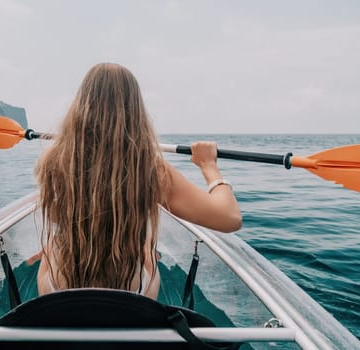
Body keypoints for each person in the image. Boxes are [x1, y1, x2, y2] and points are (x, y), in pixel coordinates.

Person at [35, 63, 241, 300]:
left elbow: (56, 217)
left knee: (55, 244)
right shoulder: (152, 170)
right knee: (146, 247)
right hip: (132, 293)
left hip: (57, 289)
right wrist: (209, 167)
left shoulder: (53, 162)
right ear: (135, 110)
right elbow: (230, 218)